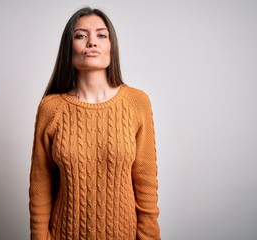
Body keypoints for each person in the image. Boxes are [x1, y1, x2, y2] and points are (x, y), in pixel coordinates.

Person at [29, 7, 160, 240]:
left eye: (101, 35)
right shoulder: (51, 108)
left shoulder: (137, 102)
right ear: (69, 48)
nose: (92, 42)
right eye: (81, 35)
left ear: (111, 46)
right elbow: (40, 186)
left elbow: (146, 184)